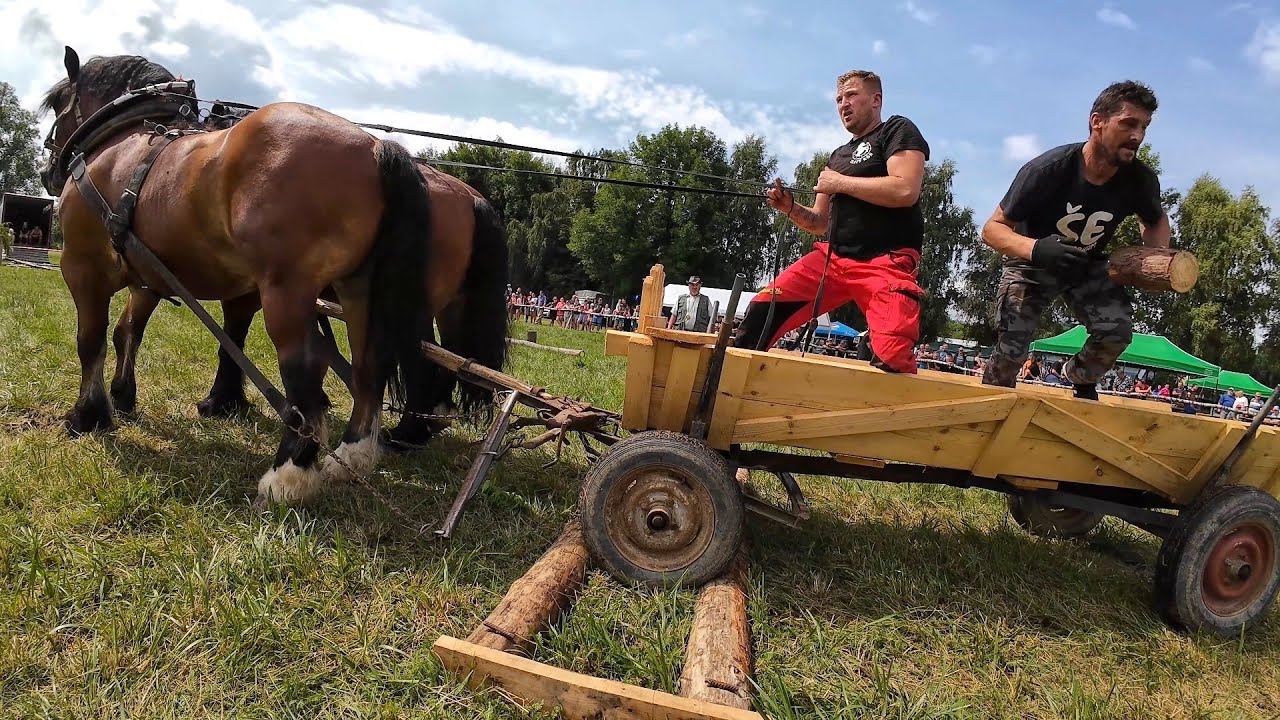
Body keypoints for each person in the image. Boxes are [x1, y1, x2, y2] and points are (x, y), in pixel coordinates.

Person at [979, 81, 1171, 400]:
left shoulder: (1141, 180)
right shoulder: (1048, 169)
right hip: (1031, 261)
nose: (1137, 136)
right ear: (1097, 121)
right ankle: (991, 400)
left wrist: (1156, 255)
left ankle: (1079, 377)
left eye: (1144, 127)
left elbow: (1154, 220)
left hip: (1086, 265)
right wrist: (1037, 249)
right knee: (1012, 346)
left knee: (1116, 331)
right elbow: (992, 229)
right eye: (1128, 124)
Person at [733, 69, 929, 373]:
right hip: (833, 260)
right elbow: (818, 222)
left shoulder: (896, 130)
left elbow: (905, 189)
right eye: (839, 99)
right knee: (761, 310)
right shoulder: (838, 156)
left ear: (876, 99)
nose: (843, 104)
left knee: (892, 355)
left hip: (885, 263)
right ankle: (723, 396)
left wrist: (840, 183)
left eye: (851, 95)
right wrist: (789, 207)